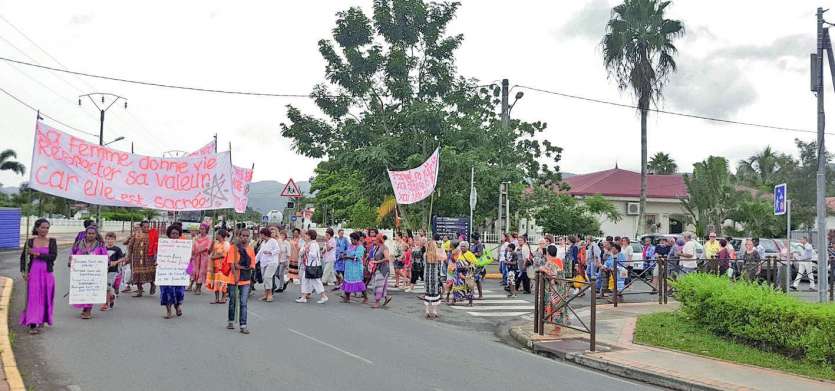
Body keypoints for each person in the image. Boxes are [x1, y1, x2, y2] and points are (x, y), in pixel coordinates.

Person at [20, 218, 57, 334]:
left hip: (47, 273)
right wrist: (24, 272)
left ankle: (42, 318)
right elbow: (23, 258)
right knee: (34, 297)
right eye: (42, 227)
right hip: (34, 272)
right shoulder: (30, 242)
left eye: (47, 228)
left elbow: (53, 257)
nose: (45, 230)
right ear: (37, 228)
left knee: (46, 297)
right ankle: (32, 324)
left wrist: (38, 254)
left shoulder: (52, 241)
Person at [70, 224, 108, 319]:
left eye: (93, 233)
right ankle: (84, 308)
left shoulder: (100, 245)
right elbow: (72, 254)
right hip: (81, 273)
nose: (91, 235)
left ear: (96, 235)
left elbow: (105, 257)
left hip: (93, 273)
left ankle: (88, 310)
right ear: (85, 234)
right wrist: (70, 261)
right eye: (89, 233)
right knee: (82, 290)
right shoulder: (78, 244)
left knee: (90, 291)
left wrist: (105, 265)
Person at [226, 228, 256, 334]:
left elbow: (252, 265)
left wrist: (242, 267)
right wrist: (235, 275)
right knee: (233, 300)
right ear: (239, 236)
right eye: (243, 235)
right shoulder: (233, 248)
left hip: (246, 279)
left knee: (243, 303)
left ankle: (243, 325)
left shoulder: (251, 250)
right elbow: (231, 264)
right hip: (233, 278)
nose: (245, 238)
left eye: (247, 236)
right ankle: (230, 321)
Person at [159, 225, 187, 319]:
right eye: (172, 233)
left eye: (176, 233)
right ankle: (168, 311)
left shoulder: (184, 246)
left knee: (179, 291)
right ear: (169, 234)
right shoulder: (164, 245)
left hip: (179, 273)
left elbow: (189, 259)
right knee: (166, 291)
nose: (174, 235)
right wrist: (157, 264)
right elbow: (159, 257)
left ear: (179, 235)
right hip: (166, 273)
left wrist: (189, 271)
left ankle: (177, 306)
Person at [126, 221, 157, 297]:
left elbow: (155, 245)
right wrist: (129, 256)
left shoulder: (151, 234)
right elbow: (130, 245)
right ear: (141, 227)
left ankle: (152, 285)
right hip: (137, 258)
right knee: (137, 273)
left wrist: (155, 256)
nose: (146, 228)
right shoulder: (136, 234)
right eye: (144, 227)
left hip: (148, 258)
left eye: (147, 227)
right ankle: (139, 291)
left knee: (150, 272)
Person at [297, 230, 328, 304]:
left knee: (316, 281)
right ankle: (304, 297)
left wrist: (307, 250)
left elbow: (314, 255)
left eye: (307, 235)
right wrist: (305, 249)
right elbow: (300, 253)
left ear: (310, 236)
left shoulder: (313, 244)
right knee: (305, 280)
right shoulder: (308, 244)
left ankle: (323, 296)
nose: (305, 236)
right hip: (309, 265)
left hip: (313, 266)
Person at [340, 232, 368, 303]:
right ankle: (347, 297)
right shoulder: (350, 246)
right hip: (349, 267)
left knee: (359, 282)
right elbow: (348, 252)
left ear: (357, 240)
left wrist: (347, 257)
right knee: (347, 281)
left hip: (356, 268)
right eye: (351, 239)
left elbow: (357, 257)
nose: (351, 241)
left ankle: (365, 297)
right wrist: (344, 254)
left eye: (352, 240)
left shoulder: (360, 247)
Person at [206, 229, 231, 304]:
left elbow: (224, 255)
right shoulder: (216, 243)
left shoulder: (226, 244)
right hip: (214, 266)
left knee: (223, 282)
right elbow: (210, 252)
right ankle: (216, 298)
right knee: (215, 282)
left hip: (223, 266)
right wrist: (211, 244)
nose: (216, 235)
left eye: (217, 234)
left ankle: (223, 298)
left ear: (221, 235)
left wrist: (214, 257)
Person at [103, 232, 125, 311]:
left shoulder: (117, 249)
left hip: (113, 271)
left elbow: (122, 258)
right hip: (103, 271)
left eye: (112, 239)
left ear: (115, 240)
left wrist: (115, 262)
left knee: (107, 286)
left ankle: (106, 303)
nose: (110, 241)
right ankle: (112, 297)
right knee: (105, 287)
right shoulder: (103, 249)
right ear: (105, 240)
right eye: (108, 239)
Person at [369, 235, 392, 308]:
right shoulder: (377, 248)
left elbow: (387, 258)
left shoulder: (384, 248)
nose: (374, 241)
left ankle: (377, 302)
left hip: (383, 269)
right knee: (380, 285)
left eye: (375, 240)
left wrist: (377, 262)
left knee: (378, 285)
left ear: (379, 240)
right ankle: (386, 297)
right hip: (377, 268)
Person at [256, 228, 279, 302]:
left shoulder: (273, 241)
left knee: (267, 277)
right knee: (265, 278)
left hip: (272, 262)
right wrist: (253, 262)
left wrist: (270, 252)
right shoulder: (263, 242)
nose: (260, 235)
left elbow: (278, 250)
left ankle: (270, 294)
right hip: (264, 262)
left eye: (261, 234)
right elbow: (259, 253)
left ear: (264, 234)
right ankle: (265, 294)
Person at [423, 239, 444, 319]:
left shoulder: (425, 255)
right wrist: (441, 249)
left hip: (427, 276)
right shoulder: (437, 255)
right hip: (435, 276)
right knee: (435, 293)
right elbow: (444, 257)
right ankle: (434, 311)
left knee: (427, 293)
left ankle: (427, 311)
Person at [451, 241, 477, 306]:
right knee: (456, 288)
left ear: (467, 247)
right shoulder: (460, 253)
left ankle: (470, 302)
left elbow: (474, 264)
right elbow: (457, 261)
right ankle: (454, 301)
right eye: (461, 246)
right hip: (458, 274)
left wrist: (466, 267)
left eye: (464, 246)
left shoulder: (470, 254)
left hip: (466, 274)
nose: (462, 247)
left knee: (468, 288)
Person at [189, 224, 211, 296]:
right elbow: (193, 246)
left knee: (201, 272)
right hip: (196, 257)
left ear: (206, 230)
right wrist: (192, 255)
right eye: (200, 229)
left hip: (203, 258)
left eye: (203, 229)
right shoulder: (196, 237)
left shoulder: (208, 238)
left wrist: (200, 250)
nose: (201, 230)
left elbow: (207, 248)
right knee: (194, 271)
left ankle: (199, 288)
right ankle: (192, 285)